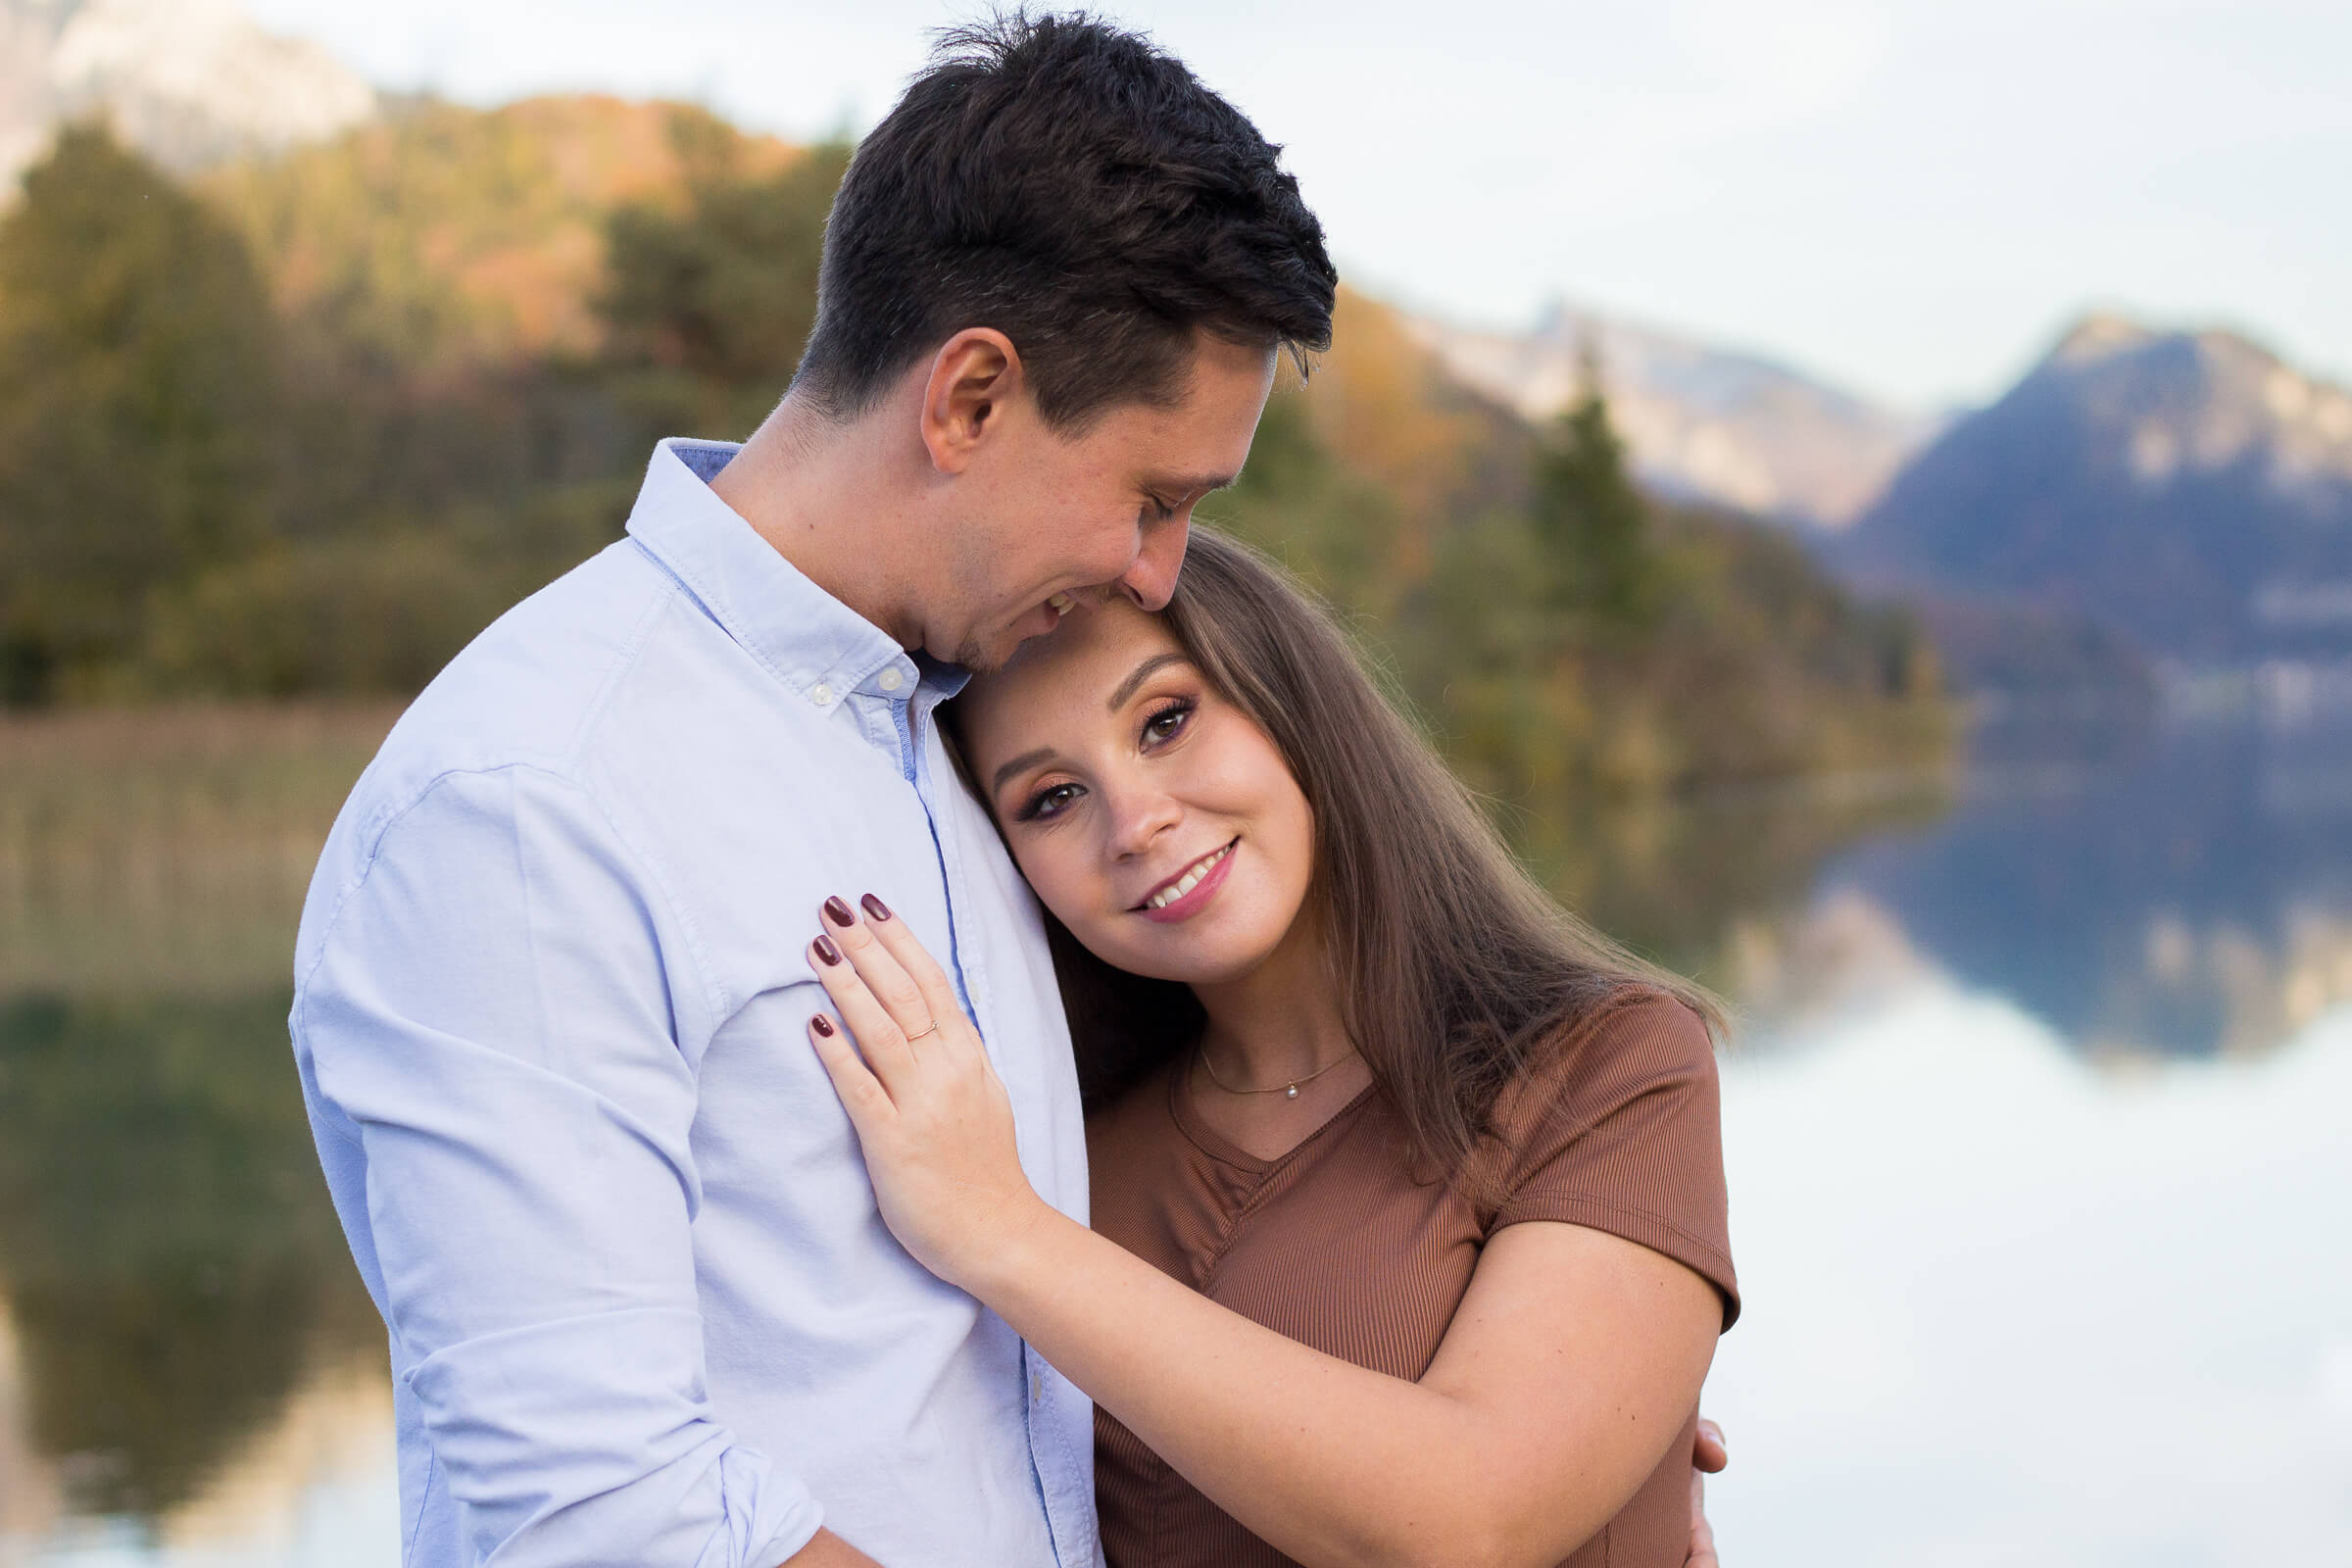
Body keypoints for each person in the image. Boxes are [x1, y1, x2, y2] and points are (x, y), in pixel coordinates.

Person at [288, 12, 1725, 1567]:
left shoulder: (949, 724)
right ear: (970, 398)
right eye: (1153, 497)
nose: (1158, 569)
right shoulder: (531, 798)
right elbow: (598, 1516)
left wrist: (1604, 1436)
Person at [796, 527, 1739, 1567]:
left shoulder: (1608, 1066)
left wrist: (1001, 1235)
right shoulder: (1059, 1151)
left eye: (1165, 720)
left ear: (1294, 705)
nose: (1136, 821)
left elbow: (1473, 1524)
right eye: (1050, 798)